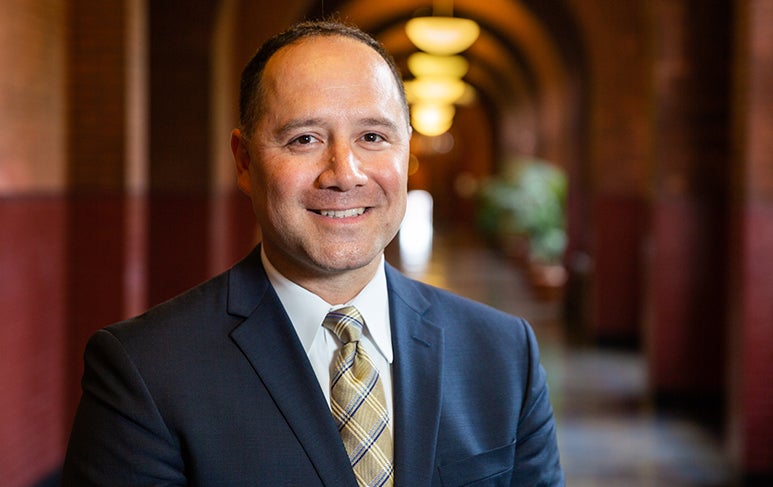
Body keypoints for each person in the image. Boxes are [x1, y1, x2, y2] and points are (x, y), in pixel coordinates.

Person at [62, 19, 564, 486]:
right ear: (244, 160)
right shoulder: (145, 370)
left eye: (372, 136)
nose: (344, 174)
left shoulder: (505, 354)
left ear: (406, 151)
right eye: (304, 139)